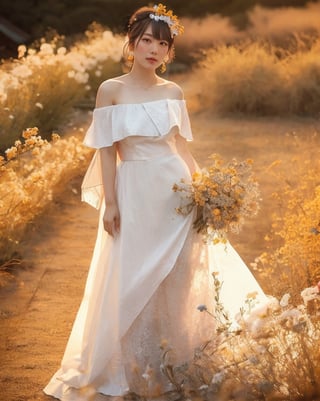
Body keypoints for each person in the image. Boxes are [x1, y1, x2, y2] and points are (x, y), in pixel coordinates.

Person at [44, 4, 267, 400]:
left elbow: (180, 146)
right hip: (136, 191)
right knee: (130, 273)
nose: (153, 49)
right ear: (131, 43)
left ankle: (182, 356)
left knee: (181, 271)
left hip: (176, 191)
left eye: (162, 44)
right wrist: (111, 204)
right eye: (146, 40)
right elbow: (107, 153)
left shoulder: (173, 92)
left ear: (169, 52)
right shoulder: (110, 89)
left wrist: (204, 191)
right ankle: (127, 366)